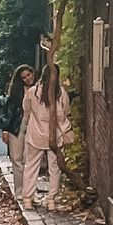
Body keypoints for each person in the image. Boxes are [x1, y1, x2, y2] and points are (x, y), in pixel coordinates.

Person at [18, 63, 72, 209]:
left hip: (35, 134)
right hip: (55, 135)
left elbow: (26, 110)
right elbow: (65, 112)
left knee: (31, 166)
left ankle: (28, 198)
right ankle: (51, 200)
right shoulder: (60, 93)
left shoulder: (33, 92)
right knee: (54, 168)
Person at [2, 65, 35, 198]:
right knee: (17, 159)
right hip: (17, 126)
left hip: (33, 127)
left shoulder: (39, 89)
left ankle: (29, 193)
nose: (27, 78)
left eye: (28, 75)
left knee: (29, 160)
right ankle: (19, 192)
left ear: (33, 73)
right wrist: (5, 129)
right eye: (24, 77)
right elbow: (9, 111)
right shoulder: (17, 93)